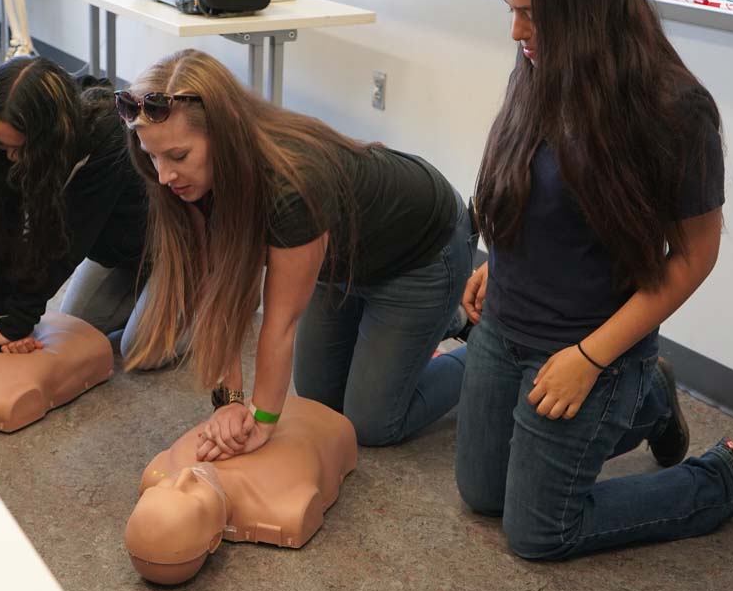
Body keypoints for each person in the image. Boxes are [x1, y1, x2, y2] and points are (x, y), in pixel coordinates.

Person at [452, 0, 733, 562]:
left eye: (531, 14)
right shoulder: (540, 69)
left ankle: (721, 474)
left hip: (587, 347)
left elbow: (694, 254)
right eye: (511, 9)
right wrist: (499, 264)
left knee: (538, 532)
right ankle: (652, 400)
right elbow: (535, 188)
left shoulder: (675, 111)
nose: (515, 32)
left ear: (586, 9)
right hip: (507, 324)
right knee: (482, 493)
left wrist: (590, 360)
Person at [120, 49, 472, 460]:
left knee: (371, 422)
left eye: (178, 156)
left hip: (420, 256)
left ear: (226, 131)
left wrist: (262, 422)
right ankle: (426, 325)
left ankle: (473, 344)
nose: (163, 176)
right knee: (320, 399)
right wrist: (230, 400)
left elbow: (280, 322)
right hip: (339, 263)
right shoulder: (188, 183)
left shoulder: (291, 184)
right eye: (152, 156)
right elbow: (221, 297)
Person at [0, 57, 147, 355]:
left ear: (49, 136)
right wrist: (5, 319)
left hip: (173, 253)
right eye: (4, 148)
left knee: (137, 349)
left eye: (21, 150)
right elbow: (5, 226)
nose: (12, 159)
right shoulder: (13, 141)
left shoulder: (107, 137)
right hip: (118, 255)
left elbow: (65, 243)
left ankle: (211, 292)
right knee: (76, 324)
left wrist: (15, 323)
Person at [125, 396, 358, 585]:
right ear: (215, 540)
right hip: (329, 424)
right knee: (369, 423)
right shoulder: (273, 501)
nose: (185, 476)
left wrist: (232, 401)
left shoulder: (170, 464)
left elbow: (234, 340)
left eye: (166, 486)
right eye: (191, 495)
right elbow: (302, 510)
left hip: (279, 402)